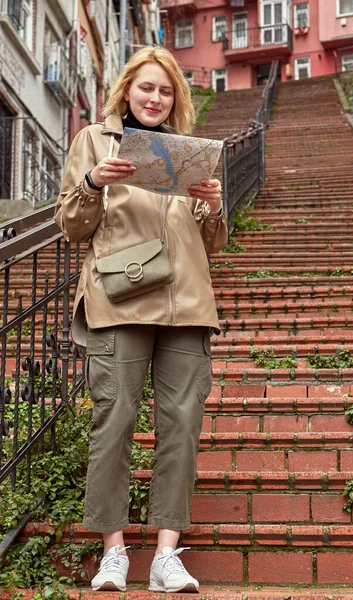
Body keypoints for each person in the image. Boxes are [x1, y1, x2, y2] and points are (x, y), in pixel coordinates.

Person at [54, 45, 228, 593]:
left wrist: (213, 205)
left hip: (188, 304)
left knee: (182, 425)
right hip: (119, 298)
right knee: (116, 421)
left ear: (175, 98)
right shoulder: (93, 140)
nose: (155, 98)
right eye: (146, 87)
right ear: (126, 89)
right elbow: (70, 226)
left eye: (166, 90)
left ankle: (166, 555)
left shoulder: (189, 152)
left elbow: (211, 243)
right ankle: (113, 552)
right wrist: (92, 184)